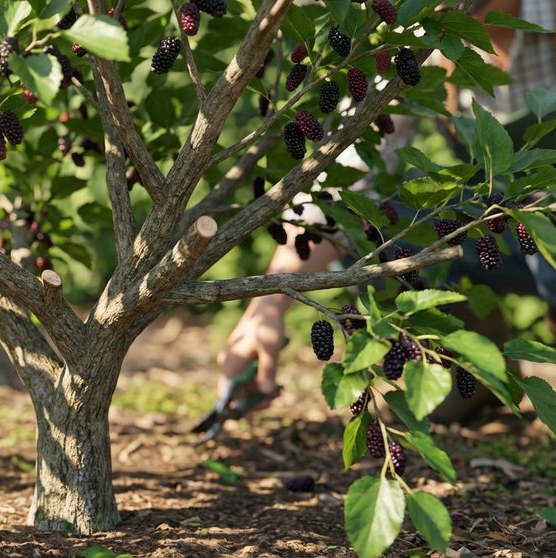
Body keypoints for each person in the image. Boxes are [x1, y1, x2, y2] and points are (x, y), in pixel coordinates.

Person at [207, 0, 556, 428]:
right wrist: (268, 307)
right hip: (510, 235)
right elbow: (346, 181)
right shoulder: (424, 40)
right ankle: (474, 354)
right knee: (374, 226)